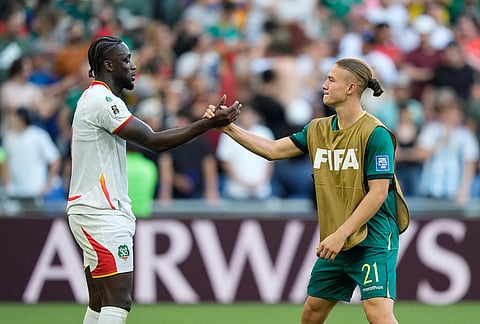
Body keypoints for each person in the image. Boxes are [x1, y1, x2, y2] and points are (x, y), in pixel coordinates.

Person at [207, 58, 410, 324]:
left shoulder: (376, 134)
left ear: (350, 88)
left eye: (331, 80)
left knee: (377, 312)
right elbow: (271, 150)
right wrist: (228, 128)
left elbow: (378, 193)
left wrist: (340, 235)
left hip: (371, 236)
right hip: (337, 239)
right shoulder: (318, 129)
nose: (323, 85)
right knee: (312, 313)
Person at [66, 36, 240, 324]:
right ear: (108, 65)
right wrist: (207, 124)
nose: (133, 66)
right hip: (101, 212)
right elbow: (154, 140)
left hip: (93, 209)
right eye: (126, 60)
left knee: (100, 302)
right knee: (117, 302)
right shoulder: (102, 100)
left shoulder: (97, 99)